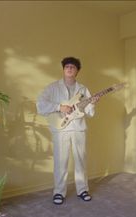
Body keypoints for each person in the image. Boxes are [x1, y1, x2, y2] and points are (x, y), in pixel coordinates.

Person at [36, 56, 99, 205]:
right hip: (60, 128)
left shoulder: (83, 89)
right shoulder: (53, 88)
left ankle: (82, 190)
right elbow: (41, 104)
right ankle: (58, 192)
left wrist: (93, 103)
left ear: (77, 71)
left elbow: (89, 111)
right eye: (67, 66)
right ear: (63, 69)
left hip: (78, 128)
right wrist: (59, 107)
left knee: (81, 160)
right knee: (60, 161)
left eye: (73, 67)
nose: (70, 68)